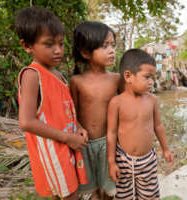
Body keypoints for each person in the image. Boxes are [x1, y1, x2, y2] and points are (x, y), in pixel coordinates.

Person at [16, 7, 88, 200]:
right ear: (27, 45)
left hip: (66, 146)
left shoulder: (56, 74)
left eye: (61, 43)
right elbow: (26, 122)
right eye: (49, 44)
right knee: (70, 195)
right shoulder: (32, 75)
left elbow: (65, 110)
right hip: (54, 152)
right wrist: (66, 137)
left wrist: (78, 127)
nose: (58, 50)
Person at [107, 49, 174, 200]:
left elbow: (158, 126)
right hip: (123, 159)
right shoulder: (116, 103)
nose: (152, 81)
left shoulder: (152, 100)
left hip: (147, 160)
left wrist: (166, 149)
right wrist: (111, 162)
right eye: (147, 77)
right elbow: (111, 133)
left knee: (149, 195)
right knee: (123, 196)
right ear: (128, 76)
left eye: (153, 77)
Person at [70, 21, 121, 200]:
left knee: (109, 187)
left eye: (113, 45)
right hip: (84, 145)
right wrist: (77, 127)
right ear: (85, 52)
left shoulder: (116, 79)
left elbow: (126, 107)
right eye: (105, 46)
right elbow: (72, 113)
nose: (112, 50)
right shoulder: (77, 81)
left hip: (109, 143)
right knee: (89, 188)